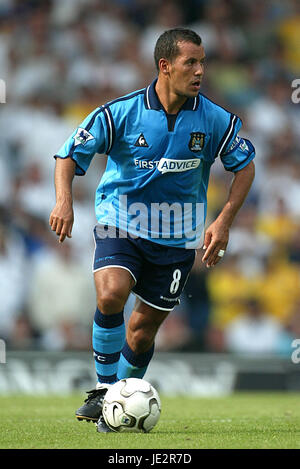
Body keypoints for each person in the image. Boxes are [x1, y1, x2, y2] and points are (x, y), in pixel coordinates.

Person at [49, 28, 255, 432]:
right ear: (165, 66)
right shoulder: (121, 112)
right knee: (111, 294)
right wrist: (63, 199)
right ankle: (104, 392)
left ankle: (117, 404)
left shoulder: (214, 119)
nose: (200, 71)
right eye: (190, 63)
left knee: (141, 333)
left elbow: (245, 167)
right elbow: (68, 154)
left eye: (203, 62)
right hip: (121, 223)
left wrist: (223, 220)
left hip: (178, 239)